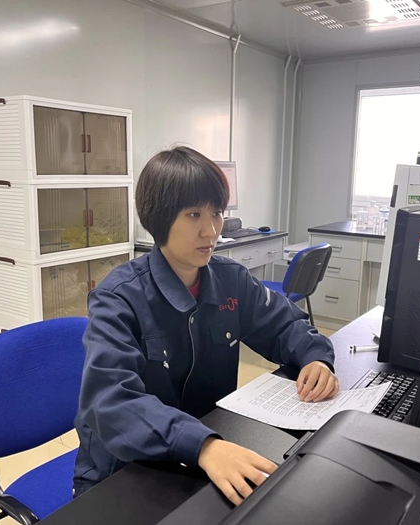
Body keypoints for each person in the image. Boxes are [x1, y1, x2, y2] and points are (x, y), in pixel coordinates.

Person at [73, 146, 338, 505]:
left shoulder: (231, 280)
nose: (211, 230)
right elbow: (111, 402)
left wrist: (315, 358)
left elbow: (285, 325)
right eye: (194, 215)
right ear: (160, 218)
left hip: (208, 450)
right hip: (127, 470)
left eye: (216, 213)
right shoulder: (118, 298)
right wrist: (203, 445)